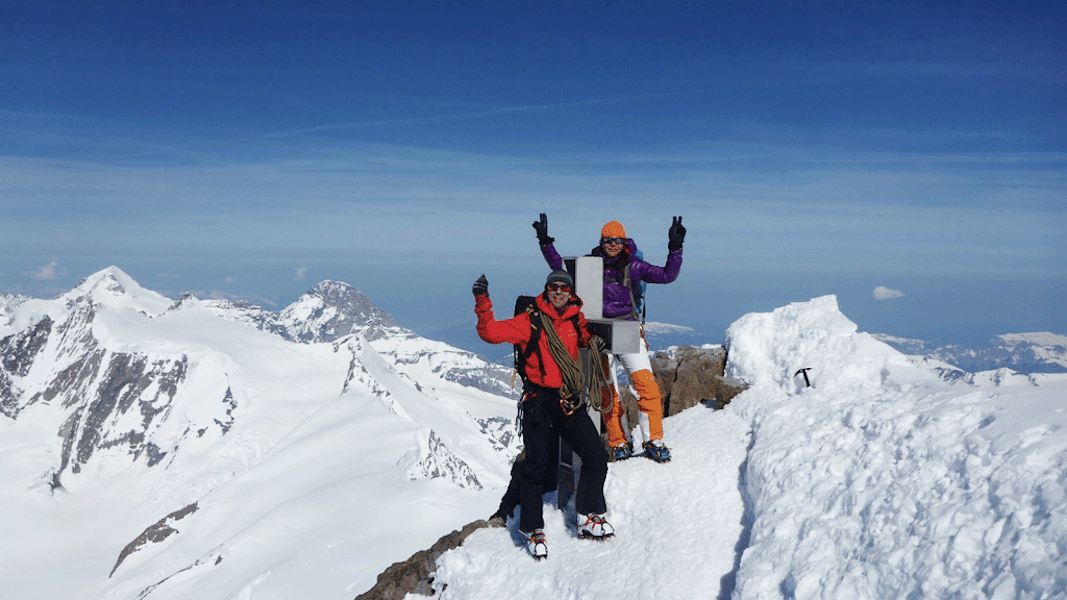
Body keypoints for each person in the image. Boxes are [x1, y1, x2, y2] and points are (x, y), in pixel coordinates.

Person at [473, 270, 613, 560]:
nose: (558, 291)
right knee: (535, 467)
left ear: (570, 292)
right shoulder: (530, 321)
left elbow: (583, 337)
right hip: (539, 402)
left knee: (596, 456)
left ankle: (588, 513)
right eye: (553, 287)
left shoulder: (576, 318)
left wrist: (594, 338)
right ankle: (531, 528)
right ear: (546, 290)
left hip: (568, 399)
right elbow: (490, 333)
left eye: (563, 287)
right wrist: (482, 301)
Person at [533, 214, 685, 462]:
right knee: (606, 390)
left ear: (624, 241)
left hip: (627, 329)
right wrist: (545, 242)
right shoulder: (590, 263)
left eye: (617, 240)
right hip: (598, 334)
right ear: (601, 241)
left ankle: (653, 440)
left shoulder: (634, 266)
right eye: (608, 239)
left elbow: (667, 275)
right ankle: (619, 441)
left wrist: (675, 248)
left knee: (646, 386)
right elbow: (559, 267)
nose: (613, 244)